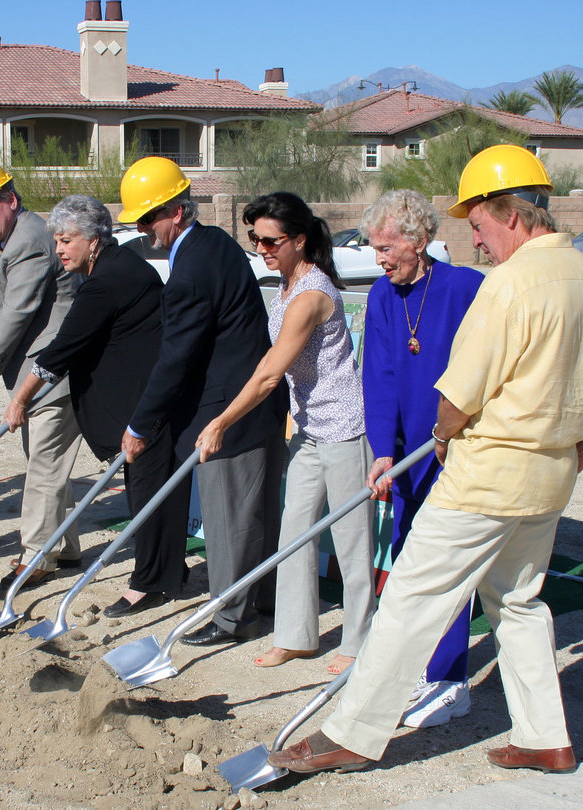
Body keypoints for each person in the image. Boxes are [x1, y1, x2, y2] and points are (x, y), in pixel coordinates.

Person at [264, 144, 583, 777]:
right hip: (548, 479)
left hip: (485, 477)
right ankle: (544, 736)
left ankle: (352, 734)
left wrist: (444, 435)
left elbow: (457, 396)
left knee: (412, 595)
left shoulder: (508, 286)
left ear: (511, 212)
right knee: (519, 603)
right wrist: (578, 453)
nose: (476, 240)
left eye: (479, 224)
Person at [196, 191, 375, 671]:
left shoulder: (312, 294)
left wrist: (221, 421)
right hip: (311, 429)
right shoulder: (286, 285)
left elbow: (271, 373)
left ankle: (359, 642)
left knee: (352, 538)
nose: (261, 249)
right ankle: (296, 635)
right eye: (255, 239)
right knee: (293, 534)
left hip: (345, 429)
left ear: (298, 240)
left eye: (271, 241)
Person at [118, 157, 288, 646]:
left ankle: (233, 618)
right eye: (138, 221)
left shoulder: (192, 266)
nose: (143, 229)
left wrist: (141, 424)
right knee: (256, 514)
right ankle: (264, 600)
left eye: (148, 219)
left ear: (175, 210)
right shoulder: (213, 242)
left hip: (228, 408)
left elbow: (176, 356)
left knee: (230, 519)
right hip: (249, 400)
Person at [3, 194, 188, 615]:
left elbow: (61, 348)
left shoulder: (108, 279)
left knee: (148, 491)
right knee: (147, 487)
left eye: (67, 240)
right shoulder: (112, 269)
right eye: (57, 241)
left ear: (93, 239)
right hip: (143, 398)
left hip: (148, 402)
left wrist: (20, 398)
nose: (59, 250)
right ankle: (165, 574)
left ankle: (149, 582)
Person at [361, 189, 485, 727]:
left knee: (449, 569)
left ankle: (449, 681)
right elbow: (380, 378)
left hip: (458, 450)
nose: (380, 257)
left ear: (419, 239)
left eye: (387, 246)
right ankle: (418, 669)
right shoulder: (381, 296)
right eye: (374, 247)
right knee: (410, 565)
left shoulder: (467, 288)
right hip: (408, 456)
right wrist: (382, 452)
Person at [0, 160, 83, 592]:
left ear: (10, 199)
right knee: (47, 464)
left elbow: (17, 311)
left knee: (44, 468)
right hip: (41, 375)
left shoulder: (28, 240)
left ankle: (35, 558)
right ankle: (63, 547)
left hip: (51, 376)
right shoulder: (18, 236)